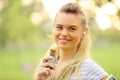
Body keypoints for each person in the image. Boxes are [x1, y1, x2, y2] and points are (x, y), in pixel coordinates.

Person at [34, 2, 116, 80]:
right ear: (53, 29)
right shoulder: (47, 64)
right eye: (59, 27)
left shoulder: (88, 68)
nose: (64, 33)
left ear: (84, 32)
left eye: (72, 28)